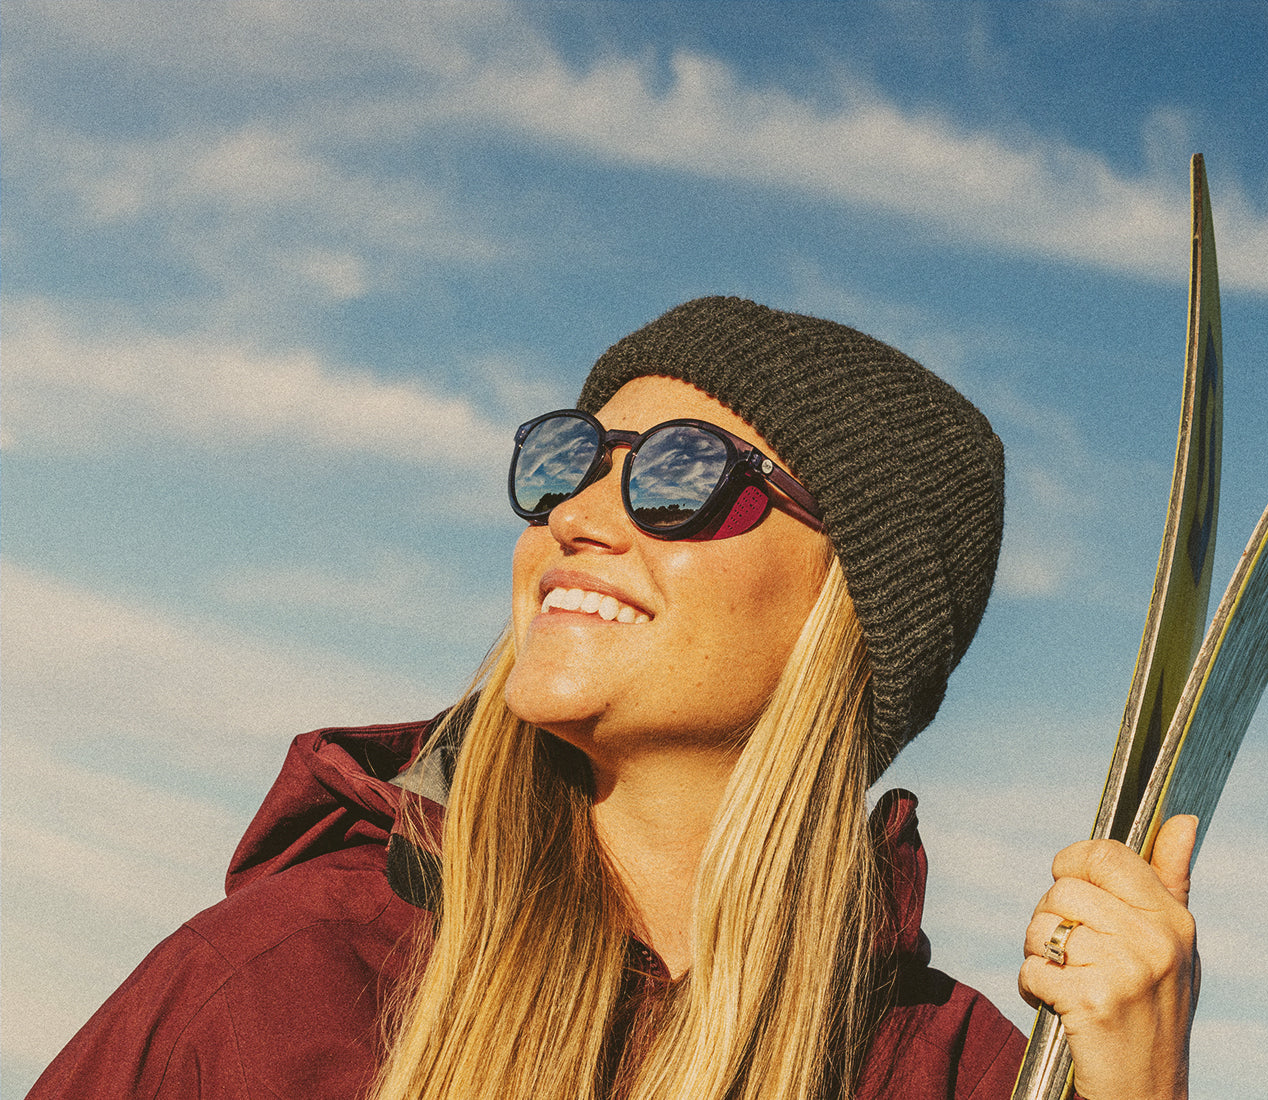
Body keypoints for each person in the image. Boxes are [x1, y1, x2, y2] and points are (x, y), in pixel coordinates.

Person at [30, 297, 1198, 1100]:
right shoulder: (287, 977)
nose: (577, 517)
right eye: (567, 461)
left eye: (679, 474)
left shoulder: (948, 1071)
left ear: (853, 613)